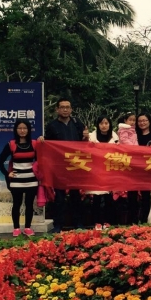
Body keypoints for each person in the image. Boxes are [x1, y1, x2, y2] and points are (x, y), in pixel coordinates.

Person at [42, 98, 88, 233]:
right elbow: (48, 145)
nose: (65, 109)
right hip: (59, 166)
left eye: (68, 107)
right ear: (57, 109)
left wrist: (86, 136)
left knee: (76, 196)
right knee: (59, 197)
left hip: (75, 165)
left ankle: (78, 224)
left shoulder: (77, 123)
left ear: (71, 109)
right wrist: (42, 141)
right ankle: (58, 225)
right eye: (62, 107)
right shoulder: (52, 126)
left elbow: (84, 143)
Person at [0, 120, 39, 237]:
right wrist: (7, 173)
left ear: (28, 130)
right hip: (16, 180)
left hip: (31, 179)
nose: (22, 130)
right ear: (16, 130)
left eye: (25, 128)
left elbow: (41, 160)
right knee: (17, 204)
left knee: (29, 204)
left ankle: (27, 228)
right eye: (19, 128)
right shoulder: (11, 144)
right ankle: (16, 228)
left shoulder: (34, 144)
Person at [88, 115, 119, 229]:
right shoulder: (91, 137)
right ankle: (96, 222)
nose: (104, 126)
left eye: (106, 123)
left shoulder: (115, 138)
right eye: (101, 123)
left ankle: (108, 221)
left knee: (108, 198)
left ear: (110, 125)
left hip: (110, 170)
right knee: (96, 198)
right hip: (96, 170)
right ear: (98, 125)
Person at [136, 113, 151, 223]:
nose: (142, 123)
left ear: (149, 121)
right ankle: (134, 219)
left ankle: (144, 219)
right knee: (133, 194)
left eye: (145, 120)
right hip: (135, 168)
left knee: (146, 194)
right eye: (140, 121)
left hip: (148, 168)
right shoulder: (134, 135)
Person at [117, 112, 140, 224]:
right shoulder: (123, 129)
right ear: (125, 120)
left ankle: (134, 218)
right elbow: (124, 140)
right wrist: (135, 148)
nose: (132, 122)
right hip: (128, 156)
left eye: (133, 120)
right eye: (130, 120)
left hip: (134, 156)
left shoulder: (134, 130)